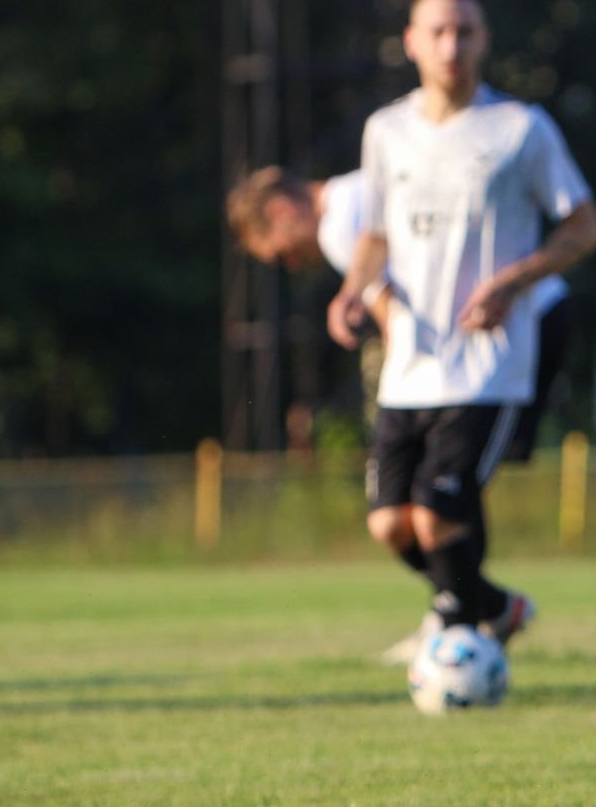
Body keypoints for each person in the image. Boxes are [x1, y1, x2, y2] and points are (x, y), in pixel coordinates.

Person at [329, 0, 596, 656]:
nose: (452, 44)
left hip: (489, 362)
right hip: (408, 365)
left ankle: (457, 643)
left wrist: (514, 281)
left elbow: (583, 227)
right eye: (438, 31)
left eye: (466, 31)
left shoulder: (521, 129)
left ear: (483, 40)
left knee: (437, 513)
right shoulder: (385, 131)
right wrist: (353, 291)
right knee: (391, 524)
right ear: (412, 43)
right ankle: (492, 608)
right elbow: (375, 234)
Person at [229, 164, 577, 660]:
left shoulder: (342, 224)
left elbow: (396, 322)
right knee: (412, 509)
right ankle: (476, 607)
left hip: (515, 328)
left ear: (282, 212)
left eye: (282, 253)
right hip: (489, 342)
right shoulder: (357, 193)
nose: (291, 263)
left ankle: (457, 619)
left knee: (446, 494)